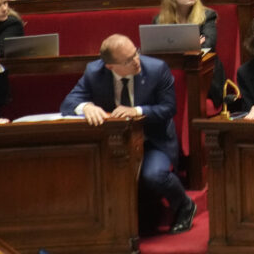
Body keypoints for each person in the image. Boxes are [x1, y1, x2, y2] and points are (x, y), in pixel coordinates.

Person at [63, 34, 195, 233]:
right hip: (116, 143)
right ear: (110, 67)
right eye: (128, 60)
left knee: (153, 175)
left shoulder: (156, 69)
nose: (136, 61)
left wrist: (138, 111)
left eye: (136, 53)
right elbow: (68, 103)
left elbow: (168, 108)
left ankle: (185, 204)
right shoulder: (94, 72)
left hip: (152, 140)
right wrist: (86, 107)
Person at [153, 0, 218, 52]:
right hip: (173, 63)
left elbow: (208, 46)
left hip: (203, 63)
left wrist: (174, 46)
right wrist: (193, 44)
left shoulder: (207, 15)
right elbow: (157, 49)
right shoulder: (159, 20)